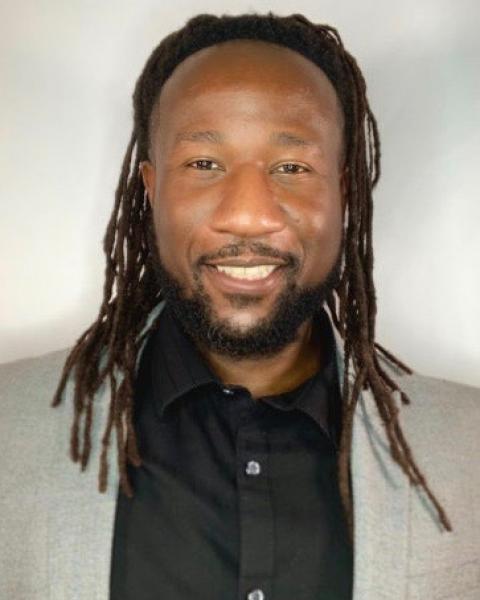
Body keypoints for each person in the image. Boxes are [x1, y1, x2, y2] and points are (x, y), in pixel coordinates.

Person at [1, 12, 479, 600]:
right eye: (204, 164)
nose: (248, 215)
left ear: (343, 190)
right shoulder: (7, 429)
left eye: (292, 167)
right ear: (152, 189)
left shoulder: (470, 447)